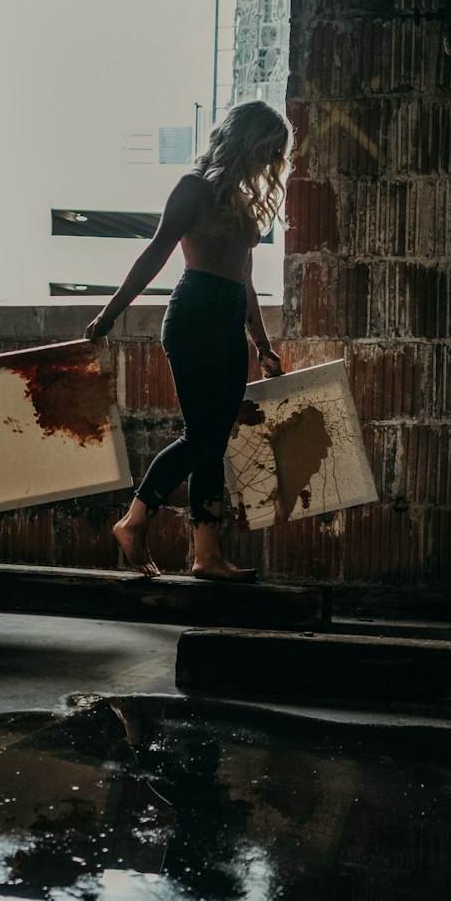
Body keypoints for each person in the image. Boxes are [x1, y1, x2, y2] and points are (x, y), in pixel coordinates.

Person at [84, 100, 291, 580]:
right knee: (202, 437)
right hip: (194, 315)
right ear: (244, 140)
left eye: (276, 155)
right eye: (267, 150)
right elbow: (155, 253)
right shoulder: (192, 188)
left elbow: (244, 279)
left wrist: (262, 345)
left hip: (227, 322)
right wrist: (109, 315)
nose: (269, 163)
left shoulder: (242, 201)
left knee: (213, 442)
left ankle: (207, 556)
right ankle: (134, 522)